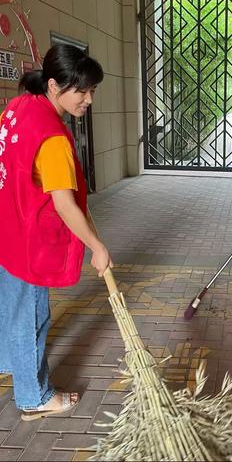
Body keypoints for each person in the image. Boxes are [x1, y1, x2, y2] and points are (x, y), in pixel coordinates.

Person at [0, 44, 113, 420]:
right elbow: (64, 204)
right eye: (82, 91)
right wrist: (96, 246)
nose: (89, 100)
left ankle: (7, 362)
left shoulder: (19, 108)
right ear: (54, 85)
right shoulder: (52, 138)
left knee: (10, 307)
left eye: (92, 90)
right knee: (31, 316)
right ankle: (34, 396)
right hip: (28, 239)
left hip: (7, 227)